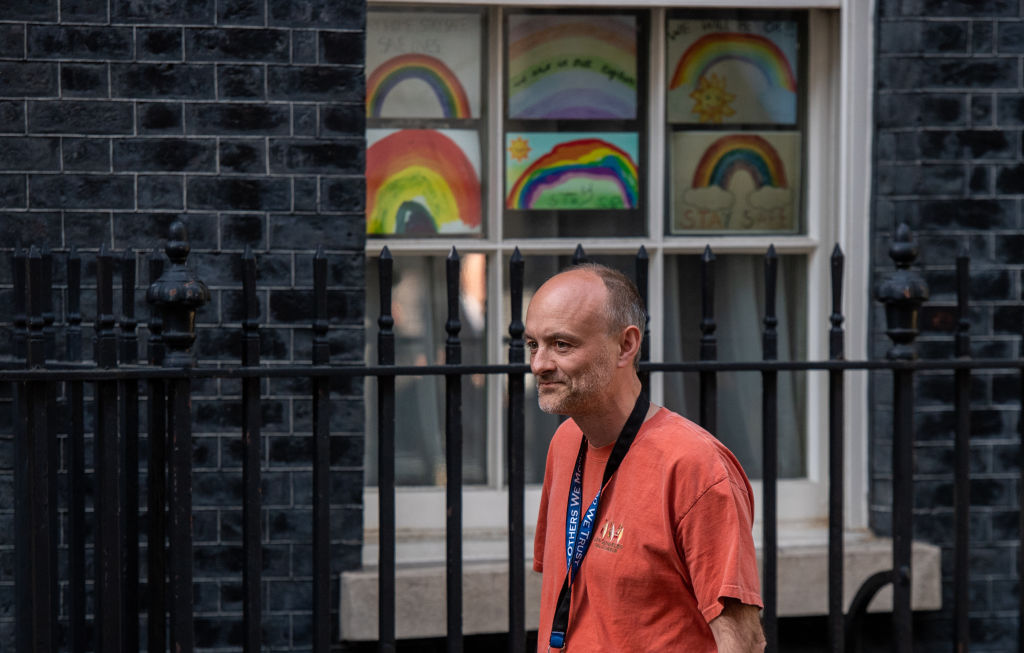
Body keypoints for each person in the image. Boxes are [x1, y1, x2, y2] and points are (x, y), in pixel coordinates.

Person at [526, 263, 765, 652]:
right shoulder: (565, 442)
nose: (539, 364)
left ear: (626, 346)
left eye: (562, 344)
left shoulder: (695, 466)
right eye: (533, 345)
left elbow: (743, 641)